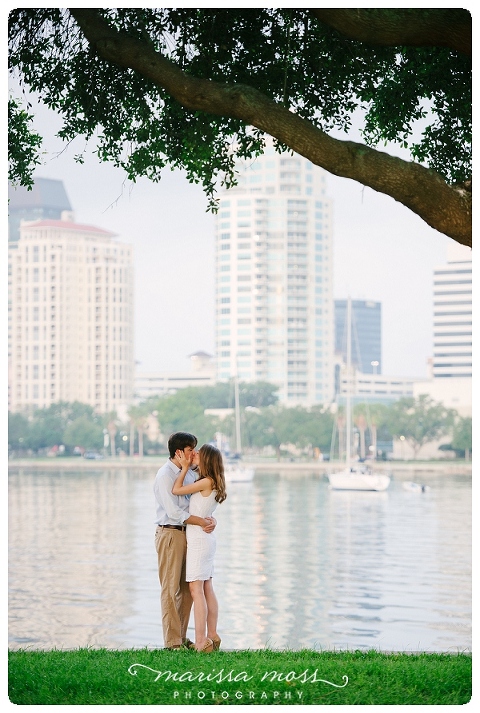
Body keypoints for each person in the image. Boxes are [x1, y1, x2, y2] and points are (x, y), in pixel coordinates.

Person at [153, 432, 216, 650]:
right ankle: (172, 642)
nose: (194, 454)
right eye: (191, 450)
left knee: (188, 588)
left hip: (189, 533)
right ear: (179, 452)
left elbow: (197, 504)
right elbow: (173, 511)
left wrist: (209, 518)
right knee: (170, 589)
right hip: (170, 533)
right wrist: (200, 521)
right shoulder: (165, 476)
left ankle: (181, 636)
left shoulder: (188, 474)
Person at [173, 443, 227, 653]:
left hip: (199, 540)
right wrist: (211, 520)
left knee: (197, 590)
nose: (194, 455)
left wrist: (185, 467)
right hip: (206, 539)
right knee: (206, 588)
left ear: (206, 460)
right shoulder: (213, 481)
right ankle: (212, 635)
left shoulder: (205, 481)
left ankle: (201, 640)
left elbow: (176, 490)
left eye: (198, 454)